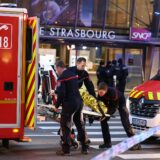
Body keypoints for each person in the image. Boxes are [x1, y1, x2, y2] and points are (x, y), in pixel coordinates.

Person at [54, 60, 88, 156]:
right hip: (78, 102)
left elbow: (62, 93)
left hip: (70, 103)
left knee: (65, 125)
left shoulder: (62, 77)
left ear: (59, 68)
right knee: (79, 124)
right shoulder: (72, 74)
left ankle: (66, 150)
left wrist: (56, 106)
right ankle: (84, 147)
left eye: (56, 69)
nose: (56, 71)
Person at [97, 82, 141, 150]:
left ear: (106, 90)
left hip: (120, 101)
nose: (100, 94)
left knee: (125, 123)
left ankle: (136, 144)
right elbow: (99, 105)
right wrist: (99, 114)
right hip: (109, 103)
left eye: (102, 93)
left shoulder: (112, 93)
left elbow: (113, 108)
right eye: (99, 92)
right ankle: (107, 143)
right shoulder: (99, 94)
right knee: (103, 121)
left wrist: (106, 114)